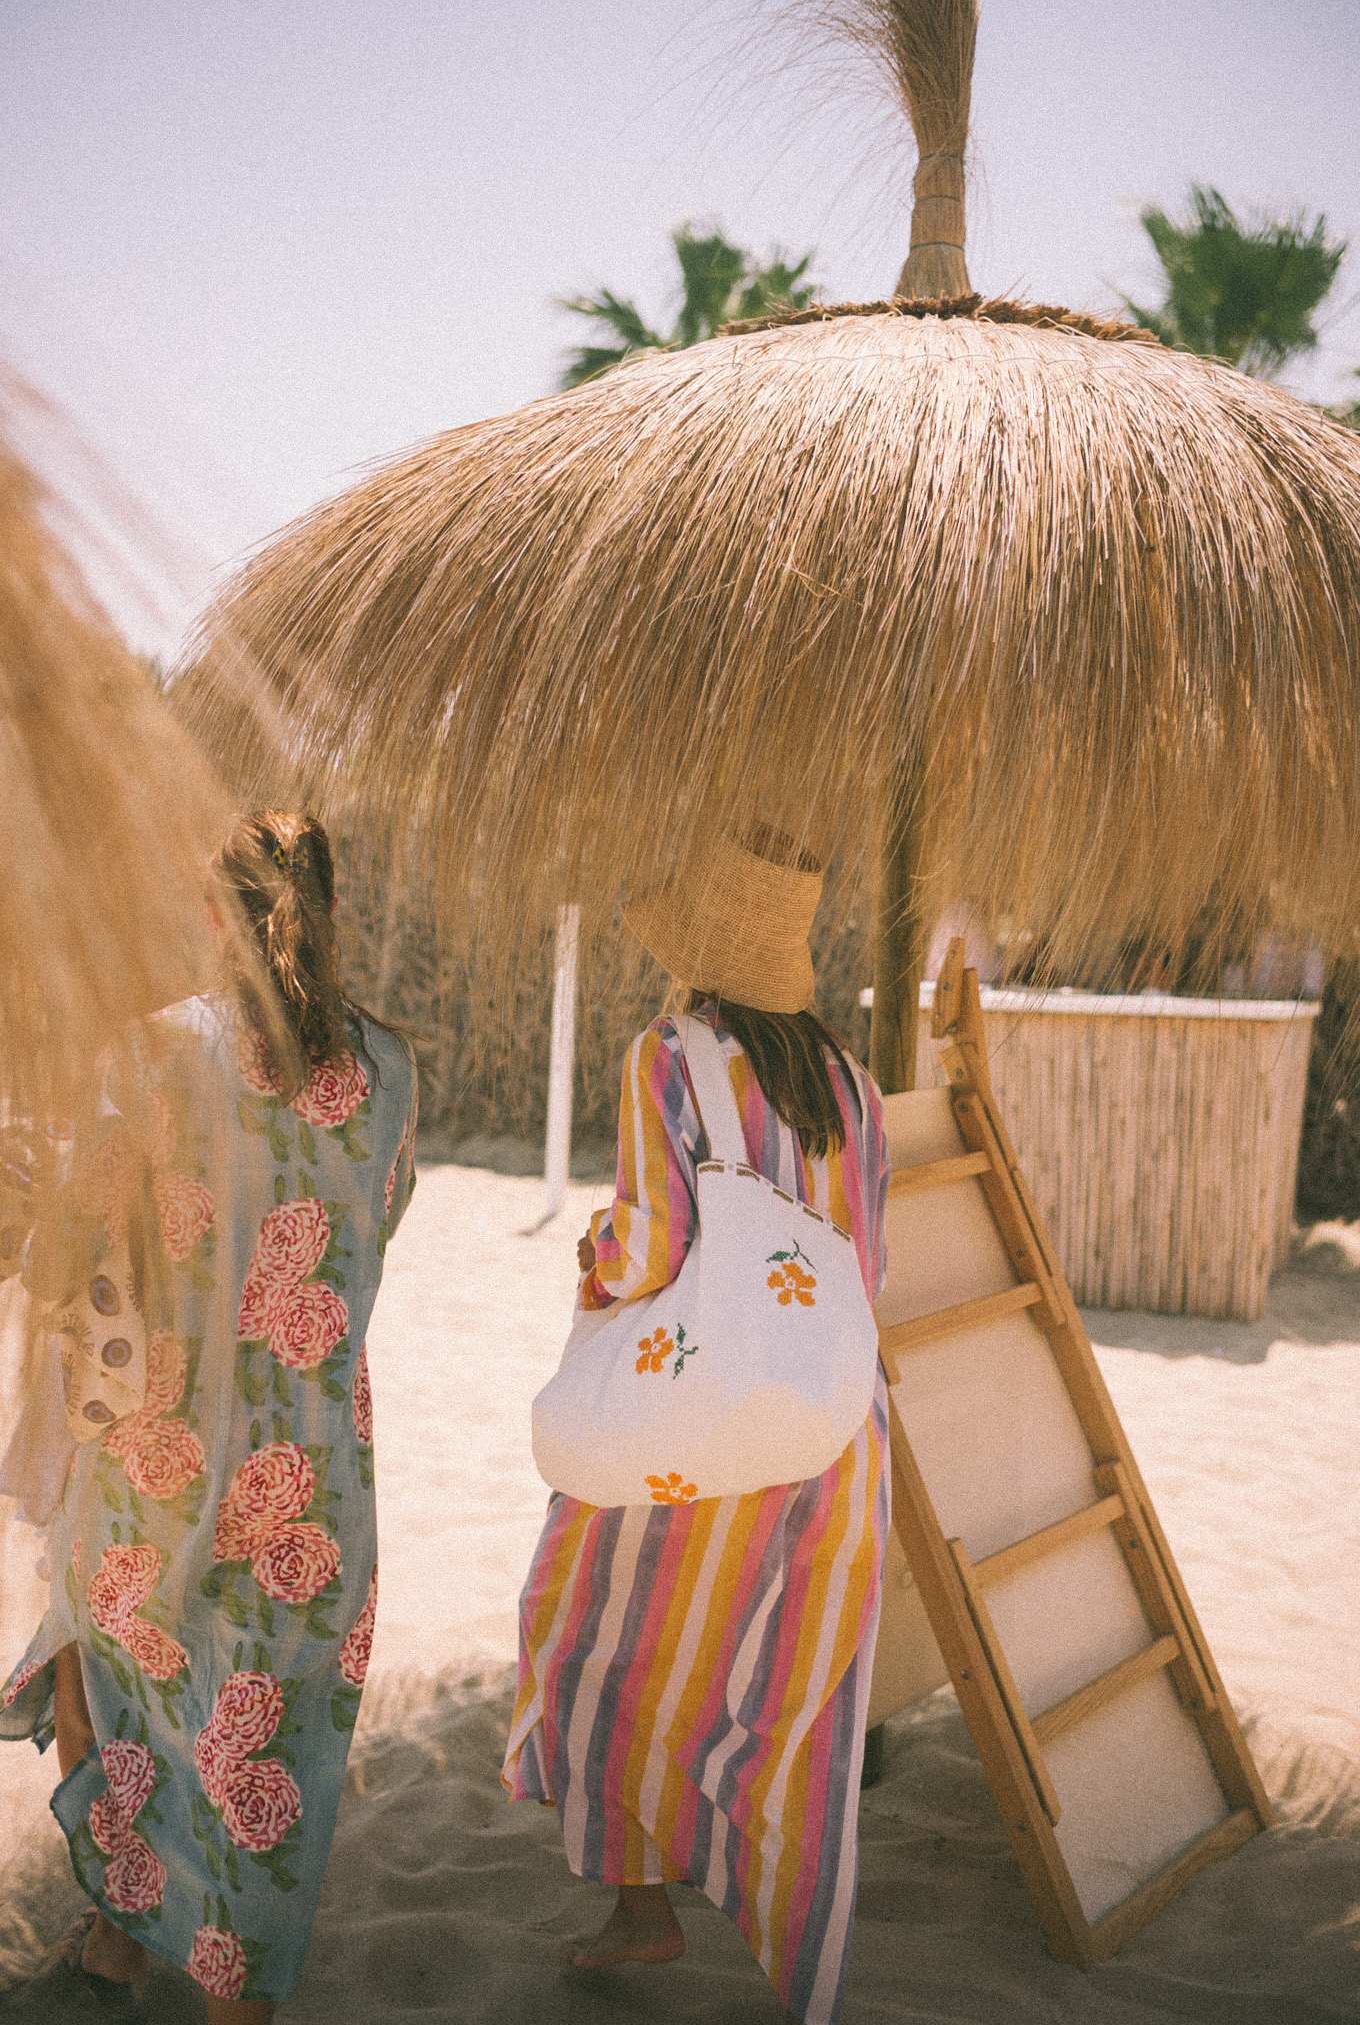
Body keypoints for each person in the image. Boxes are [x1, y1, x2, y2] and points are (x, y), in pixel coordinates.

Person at [0, 812, 418, 2021]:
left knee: (109, 1691)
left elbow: (85, 1247)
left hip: (162, 1462)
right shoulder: (390, 1068)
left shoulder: (152, 1056)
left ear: (209, 914)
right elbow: (377, 1231)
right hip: (320, 1470)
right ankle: (201, 1978)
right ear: (327, 912)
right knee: (268, 1740)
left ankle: (127, 1939)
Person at [502, 829, 890, 2025]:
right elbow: (864, 1261)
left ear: (696, 950)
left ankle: (641, 1908)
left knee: (592, 1633)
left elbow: (651, 1246)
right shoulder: (855, 1084)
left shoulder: (671, 1056)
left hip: (701, 1415)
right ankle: (775, 1920)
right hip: (831, 1424)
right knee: (779, 1682)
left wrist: (593, 1257)